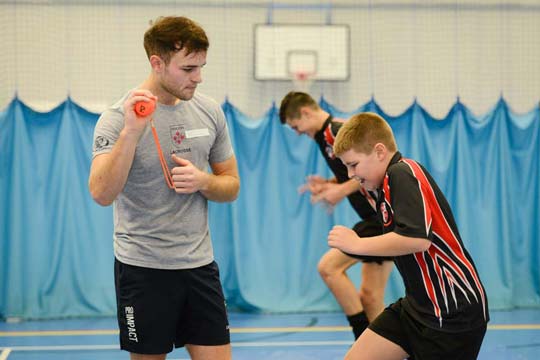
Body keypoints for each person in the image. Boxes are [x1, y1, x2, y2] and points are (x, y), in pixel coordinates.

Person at [89, 16, 239, 360]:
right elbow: (101, 193)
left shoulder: (209, 112)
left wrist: (204, 182)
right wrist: (131, 132)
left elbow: (231, 187)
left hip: (200, 266)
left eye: (201, 67)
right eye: (188, 68)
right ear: (157, 63)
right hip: (143, 270)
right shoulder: (116, 118)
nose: (198, 77)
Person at [328, 112, 489, 359]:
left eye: (353, 164)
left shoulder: (402, 173)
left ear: (380, 151)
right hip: (417, 307)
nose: (350, 175)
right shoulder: (384, 186)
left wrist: (358, 244)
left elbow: (417, 239)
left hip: (451, 312)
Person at [279, 92, 394, 339]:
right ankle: (386, 349)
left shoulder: (337, 130)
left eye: (296, 126)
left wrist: (340, 190)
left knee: (328, 267)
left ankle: (362, 338)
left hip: (379, 219)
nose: (297, 132)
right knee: (371, 298)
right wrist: (330, 184)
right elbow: (354, 177)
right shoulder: (324, 138)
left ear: (306, 113)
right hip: (376, 220)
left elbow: (372, 171)